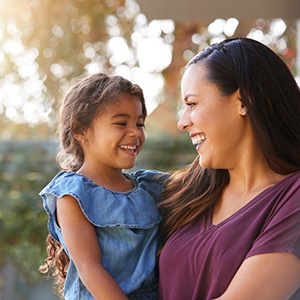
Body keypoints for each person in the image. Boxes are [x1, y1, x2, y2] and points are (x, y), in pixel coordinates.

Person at [158, 37, 300, 300]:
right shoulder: (188, 190)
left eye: (192, 104)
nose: (182, 122)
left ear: (244, 101)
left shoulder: (293, 198)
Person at [39, 73, 167, 300]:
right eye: (121, 123)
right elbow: (91, 269)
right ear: (79, 130)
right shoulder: (72, 194)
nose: (136, 132)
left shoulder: (150, 187)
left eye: (140, 123)